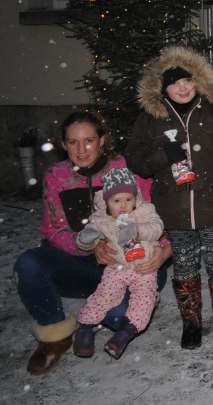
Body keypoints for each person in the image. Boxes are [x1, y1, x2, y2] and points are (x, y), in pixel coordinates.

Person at [14, 112, 170, 375]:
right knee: (28, 264)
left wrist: (167, 250)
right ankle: (56, 335)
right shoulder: (56, 176)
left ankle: (132, 299)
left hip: (135, 264)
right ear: (63, 144)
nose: (81, 149)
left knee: (119, 317)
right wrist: (90, 244)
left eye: (88, 140)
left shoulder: (126, 171)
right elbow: (52, 229)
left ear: (102, 140)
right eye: (73, 142)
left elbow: (158, 213)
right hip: (83, 266)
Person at [126, 46, 213, 350]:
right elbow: (136, 160)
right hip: (175, 209)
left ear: (198, 82)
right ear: (162, 87)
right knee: (184, 266)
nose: (182, 87)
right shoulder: (151, 119)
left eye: (188, 80)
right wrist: (163, 156)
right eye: (174, 82)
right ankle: (192, 324)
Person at [73, 167, 165, 359]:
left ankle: (124, 335)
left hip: (144, 268)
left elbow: (157, 227)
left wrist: (138, 230)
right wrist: (88, 238)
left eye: (128, 200)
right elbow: (82, 242)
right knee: (104, 295)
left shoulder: (143, 211)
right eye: (116, 201)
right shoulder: (101, 218)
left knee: (144, 298)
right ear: (106, 201)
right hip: (116, 268)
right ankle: (85, 329)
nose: (123, 205)